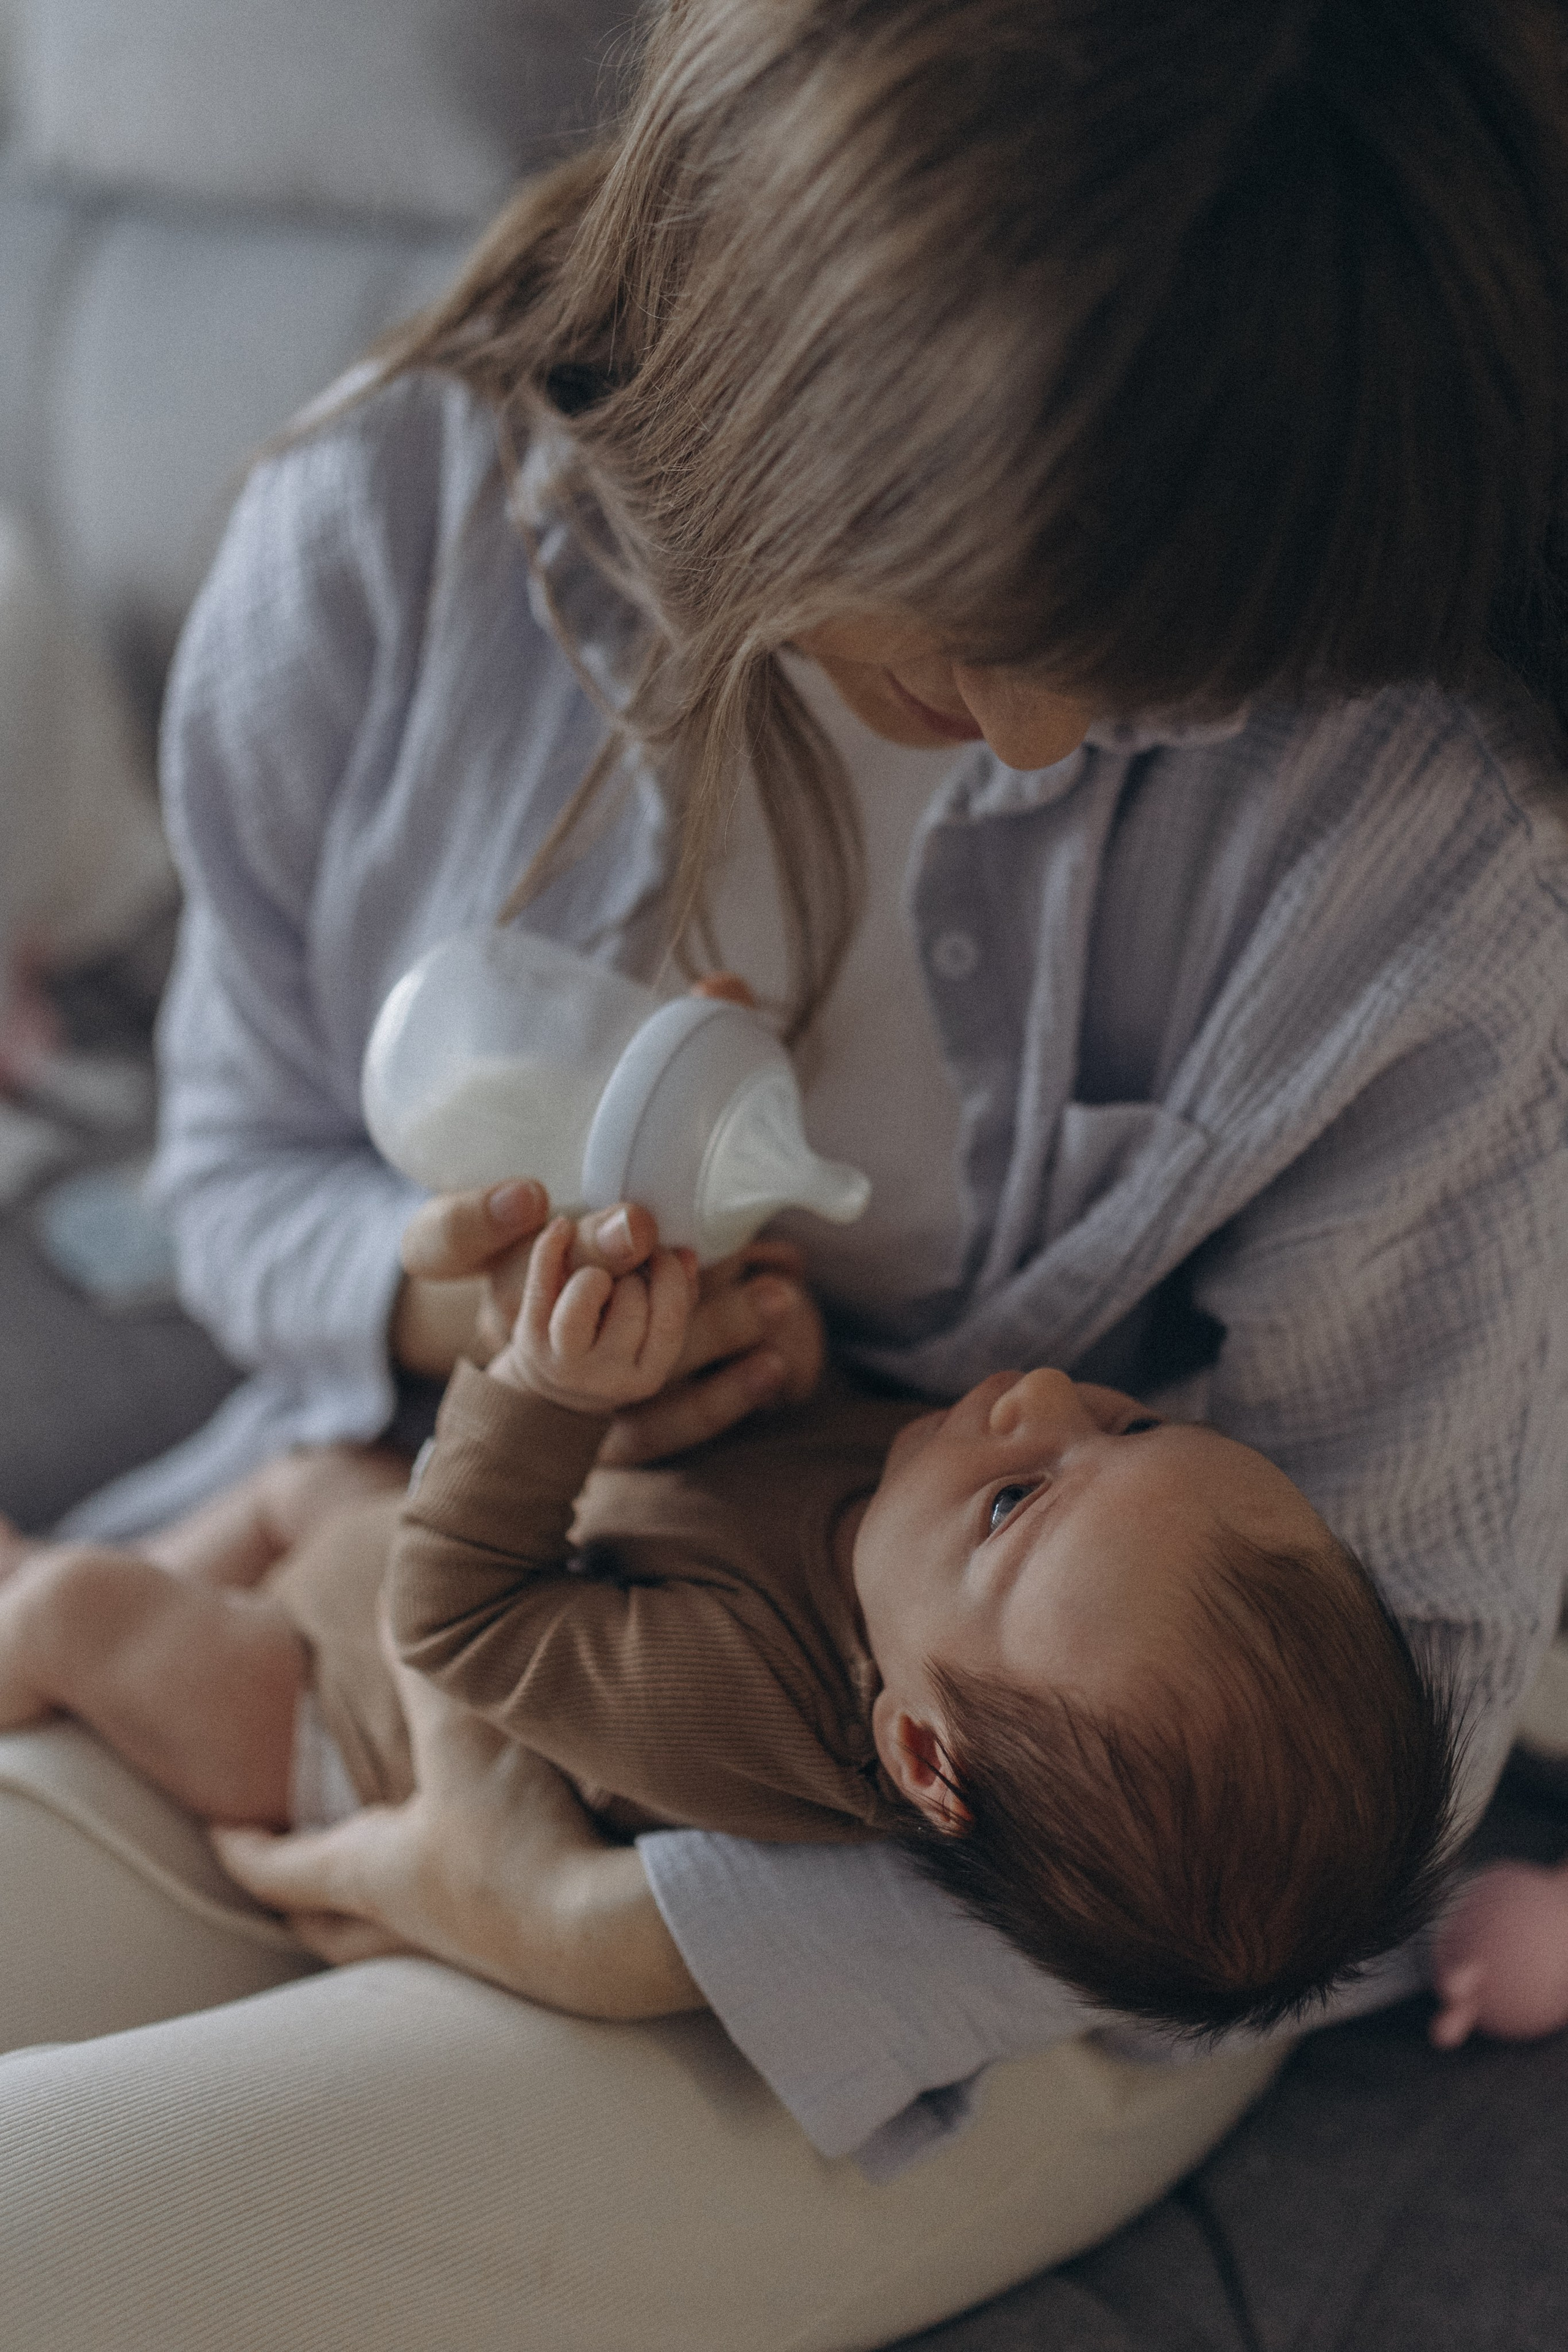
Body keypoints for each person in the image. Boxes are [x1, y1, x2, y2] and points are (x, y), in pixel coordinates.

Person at [3, 3, 1567, 2346]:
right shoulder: (388, 532)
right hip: (347, 1611)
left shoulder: (1409, 872)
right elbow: (237, 1165)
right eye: (995, 641)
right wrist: (453, 1318)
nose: (1054, 740)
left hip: (1000, 1925)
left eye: (1167, 688)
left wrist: (605, 1933)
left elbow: (1381, 1720)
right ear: (797, 347)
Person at [0, 1206, 1456, 2033]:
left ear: (916, 1753)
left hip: (330, 1714)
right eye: (1129, 1427)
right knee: (300, 1479)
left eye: (1014, 1501)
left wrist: (538, 1388)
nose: (1038, 1401)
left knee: (80, 1610)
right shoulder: (930, 1557)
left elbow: (454, 1622)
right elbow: (778, 1492)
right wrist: (784, 1366)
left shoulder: (740, 1710)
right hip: (385, 1548)